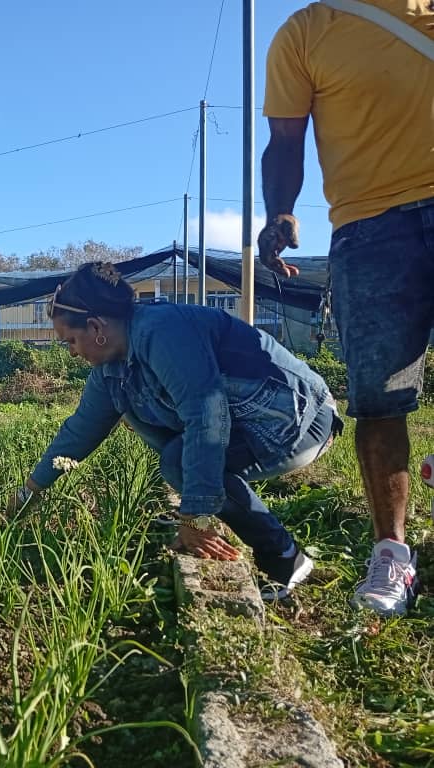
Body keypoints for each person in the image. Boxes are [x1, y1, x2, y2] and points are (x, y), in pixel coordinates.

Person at [8, 262, 342, 600]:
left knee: (178, 461)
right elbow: (79, 432)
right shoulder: (111, 371)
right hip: (252, 427)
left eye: (71, 341)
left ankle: (283, 557)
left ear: (96, 327)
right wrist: (29, 492)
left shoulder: (162, 331)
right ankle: (246, 528)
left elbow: (206, 415)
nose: (73, 352)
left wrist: (196, 514)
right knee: (150, 431)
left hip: (301, 422)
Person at [259, 0, 432, 615]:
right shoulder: (306, 32)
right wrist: (279, 210)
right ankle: (392, 554)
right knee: (379, 394)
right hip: (368, 226)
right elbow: (284, 140)